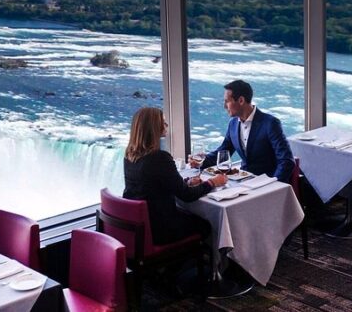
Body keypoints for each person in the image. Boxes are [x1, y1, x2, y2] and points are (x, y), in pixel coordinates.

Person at [123, 107, 227, 245]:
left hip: (139, 225)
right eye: (163, 122)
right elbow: (187, 196)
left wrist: (187, 181)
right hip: (160, 229)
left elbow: (152, 184)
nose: (166, 125)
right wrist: (213, 182)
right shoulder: (159, 158)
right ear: (154, 127)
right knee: (206, 225)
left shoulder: (129, 155)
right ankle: (183, 263)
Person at [192, 80, 294, 183]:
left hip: (266, 185)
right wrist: (201, 161)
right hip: (243, 182)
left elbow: (286, 161)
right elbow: (223, 152)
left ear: (241, 100)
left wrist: (274, 184)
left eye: (227, 101)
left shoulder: (270, 123)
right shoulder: (233, 124)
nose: (224, 106)